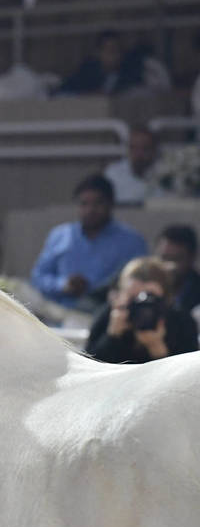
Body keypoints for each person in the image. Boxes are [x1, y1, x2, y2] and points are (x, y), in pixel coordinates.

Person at [30, 174, 147, 310]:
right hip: (59, 315)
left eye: (98, 203)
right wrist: (63, 284)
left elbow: (141, 282)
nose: (90, 210)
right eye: (84, 203)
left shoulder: (132, 241)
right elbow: (38, 278)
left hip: (108, 314)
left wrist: (98, 290)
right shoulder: (60, 235)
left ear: (111, 204)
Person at [85, 256, 199, 363]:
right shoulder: (110, 315)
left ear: (166, 298)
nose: (141, 305)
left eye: (149, 298)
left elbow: (187, 372)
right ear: (122, 295)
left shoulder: (182, 322)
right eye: (132, 298)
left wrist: (157, 347)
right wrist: (112, 335)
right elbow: (90, 366)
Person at [58, 30, 142, 96]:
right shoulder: (86, 72)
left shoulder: (128, 72)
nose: (115, 55)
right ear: (98, 52)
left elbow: (137, 91)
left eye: (118, 50)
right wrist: (89, 95)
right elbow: (63, 92)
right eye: (111, 51)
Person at [103, 126, 163, 205]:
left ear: (154, 150)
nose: (139, 154)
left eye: (145, 148)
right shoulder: (113, 174)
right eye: (133, 148)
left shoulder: (165, 174)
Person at [155, 225, 200, 314]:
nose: (168, 266)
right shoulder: (144, 289)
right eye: (163, 258)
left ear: (191, 258)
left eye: (175, 259)